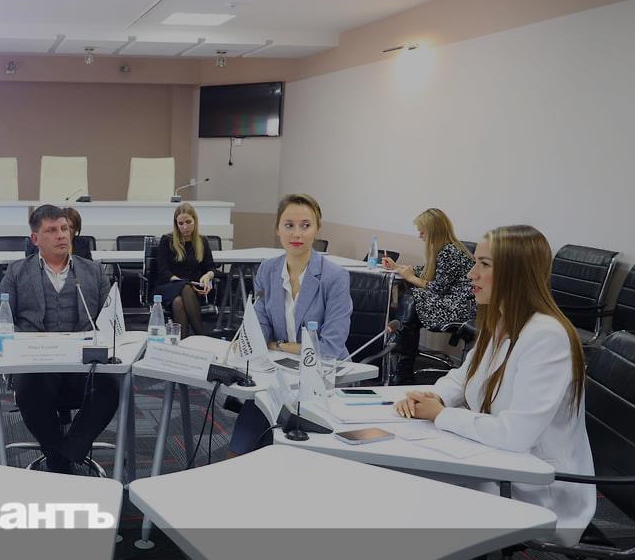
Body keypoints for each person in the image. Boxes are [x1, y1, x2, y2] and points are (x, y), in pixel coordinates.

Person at [351, 225, 596, 560]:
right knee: (378, 479)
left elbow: (517, 435)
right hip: (496, 463)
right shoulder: (502, 321)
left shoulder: (546, 337)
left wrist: (440, 415)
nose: (471, 273)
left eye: (483, 264)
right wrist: (432, 396)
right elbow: (462, 378)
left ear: (514, 273)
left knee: (397, 500)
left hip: (537, 485)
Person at [228, 193, 353, 455]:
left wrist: (278, 345)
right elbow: (259, 328)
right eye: (289, 225)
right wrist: (256, 339)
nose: (297, 233)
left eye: (305, 225)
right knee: (240, 449)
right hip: (276, 375)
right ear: (277, 229)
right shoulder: (268, 270)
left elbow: (328, 348)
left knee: (296, 450)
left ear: (317, 229)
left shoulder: (335, 277)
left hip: (322, 380)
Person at [0, 204, 118, 474]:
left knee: (110, 386)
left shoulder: (94, 271)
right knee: (28, 388)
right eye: (51, 230)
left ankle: (66, 453)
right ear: (35, 239)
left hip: (83, 365)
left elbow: (111, 321)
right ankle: (59, 460)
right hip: (38, 363)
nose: (61, 235)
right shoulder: (17, 272)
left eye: (64, 228)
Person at [381, 208, 476, 384]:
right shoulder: (445, 248)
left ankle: (402, 365)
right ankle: (402, 364)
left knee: (412, 298)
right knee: (412, 301)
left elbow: (437, 289)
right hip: (452, 301)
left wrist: (410, 277)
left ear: (433, 231)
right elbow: (425, 271)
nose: (419, 236)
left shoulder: (450, 252)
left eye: (422, 231)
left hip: (462, 306)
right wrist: (398, 267)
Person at [154, 203, 216, 338]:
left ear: (195, 221)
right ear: (176, 224)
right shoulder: (167, 240)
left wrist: (207, 276)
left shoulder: (202, 241)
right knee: (184, 287)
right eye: (180, 223)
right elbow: (163, 271)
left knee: (178, 302)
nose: (185, 227)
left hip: (193, 291)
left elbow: (211, 267)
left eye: (188, 222)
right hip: (168, 286)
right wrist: (182, 283)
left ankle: (182, 343)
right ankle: (201, 336)